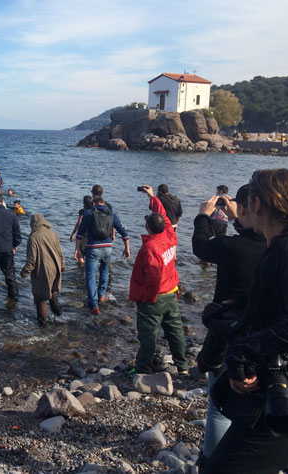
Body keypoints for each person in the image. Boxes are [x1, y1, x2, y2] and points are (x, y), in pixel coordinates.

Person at [203, 169, 288, 474]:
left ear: (257, 205)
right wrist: (244, 303)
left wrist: (242, 351)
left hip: (286, 393)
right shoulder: (280, 244)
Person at [191, 185, 266, 466]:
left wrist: (203, 216)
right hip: (264, 335)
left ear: (250, 209)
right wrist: (239, 218)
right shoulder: (275, 246)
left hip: (228, 333)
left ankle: (212, 462)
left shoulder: (231, 246)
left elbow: (200, 246)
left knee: (219, 407)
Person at [128, 185, 188, 375]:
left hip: (156, 297)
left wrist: (147, 298)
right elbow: (163, 214)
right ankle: (183, 366)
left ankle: (143, 369)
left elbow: (153, 276)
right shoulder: (170, 236)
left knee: (148, 336)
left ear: (148, 227)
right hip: (172, 293)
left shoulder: (150, 248)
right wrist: (152, 196)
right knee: (175, 332)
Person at [75, 195, 130, 314]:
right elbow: (124, 233)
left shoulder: (88, 213)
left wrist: (77, 249)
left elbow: (80, 233)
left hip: (93, 249)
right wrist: (127, 248)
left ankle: (94, 305)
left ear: (94, 204)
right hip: (108, 248)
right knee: (104, 272)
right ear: (104, 203)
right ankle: (101, 296)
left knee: (90, 276)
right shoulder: (112, 215)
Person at [20, 213, 65, 325]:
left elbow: (32, 260)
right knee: (51, 291)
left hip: (43, 269)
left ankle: (42, 325)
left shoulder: (33, 237)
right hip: (55, 267)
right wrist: (62, 265)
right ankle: (59, 315)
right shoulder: (52, 232)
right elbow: (60, 252)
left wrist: (24, 272)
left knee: (40, 299)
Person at [69, 196, 94, 265]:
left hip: (83, 236)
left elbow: (78, 223)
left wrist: (73, 234)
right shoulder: (95, 211)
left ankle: (81, 270)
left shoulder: (82, 211)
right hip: (92, 236)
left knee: (80, 256)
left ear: (83, 202)